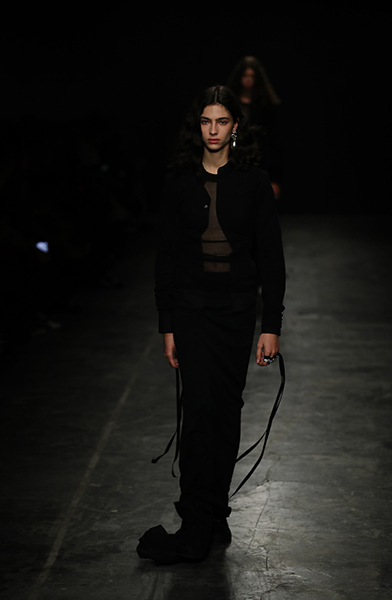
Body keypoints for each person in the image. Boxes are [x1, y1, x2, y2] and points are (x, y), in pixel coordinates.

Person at [137, 85, 286, 564]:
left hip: (237, 314)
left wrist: (271, 324)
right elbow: (166, 257)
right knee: (199, 411)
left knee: (225, 412)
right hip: (192, 312)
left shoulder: (254, 182)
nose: (214, 130)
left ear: (235, 126)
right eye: (206, 121)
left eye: (222, 121)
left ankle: (213, 511)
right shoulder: (178, 182)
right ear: (196, 126)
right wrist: (167, 324)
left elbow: (271, 258)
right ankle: (196, 519)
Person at [227, 56, 283, 199]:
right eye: (245, 75)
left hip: (260, 163)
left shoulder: (266, 106)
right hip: (233, 161)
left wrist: (274, 178)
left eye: (252, 76)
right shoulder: (230, 103)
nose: (248, 80)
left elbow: (274, 143)